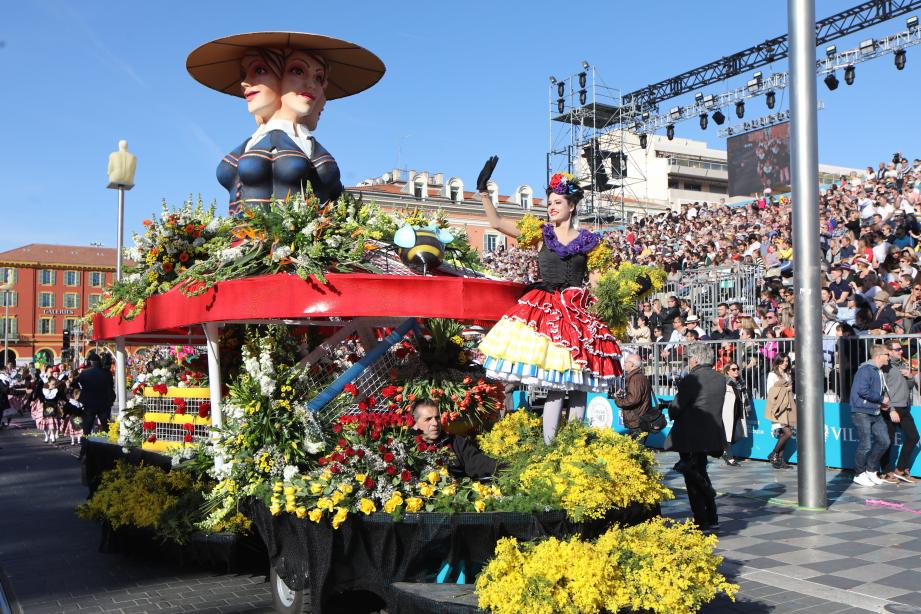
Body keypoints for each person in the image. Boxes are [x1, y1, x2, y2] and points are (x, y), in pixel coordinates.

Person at [474, 158, 621, 444]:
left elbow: (599, 283)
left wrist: (618, 297)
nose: (551, 207)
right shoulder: (542, 234)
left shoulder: (590, 241)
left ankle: (575, 444)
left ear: (572, 206)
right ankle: (550, 447)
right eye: (549, 203)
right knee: (555, 383)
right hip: (546, 309)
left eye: (557, 202)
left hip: (578, 311)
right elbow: (496, 223)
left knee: (580, 385)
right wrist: (483, 192)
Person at [187, 32, 385, 216]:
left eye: (318, 77)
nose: (245, 83)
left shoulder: (305, 144)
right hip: (240, 245)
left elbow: (338, 200)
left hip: (298, 248)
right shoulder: (254, 141)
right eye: (299, 71)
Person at [665, 344, 727, 532]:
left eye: (690, 358)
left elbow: (676, 409)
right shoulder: (720, 378)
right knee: (701, 471)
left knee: (692, 477)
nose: (689, 362)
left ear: (697, 359)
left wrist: (673, 405)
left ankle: (702, 520)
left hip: (690, 435)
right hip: (710, 433)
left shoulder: (692, 379)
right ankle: (712, 516)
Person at [411, 399, 500, 480]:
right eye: (428, 419)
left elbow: (480, 464)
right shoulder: (407, 447)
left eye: (437, 418)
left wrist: (507, 469)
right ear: (415, 424)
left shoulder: (456, 442)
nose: (435, 423)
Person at [849, 345, 892, 487]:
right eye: (887, 354)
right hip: (862, 411)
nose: (889, 356)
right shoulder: (865, 370)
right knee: (865, 445)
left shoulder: (877, 370)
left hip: (874, 411)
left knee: (884, 441)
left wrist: (881, 403)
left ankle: (871, 470)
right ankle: (859, 474)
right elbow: (862, 391)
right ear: (879, 356)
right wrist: (881, 400)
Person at [879, 342, 919, 484]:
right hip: (890, 408)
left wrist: (909, 376)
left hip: (903, 407)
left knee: (914, 437)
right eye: (898, 349)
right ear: (889, 351)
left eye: (901, 349)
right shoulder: (885, 367)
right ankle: (885, 471)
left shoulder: (902, 364)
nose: (901, 351)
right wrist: (891, 409)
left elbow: (908, 386)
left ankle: (900, 470)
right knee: (887, 441)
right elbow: (882, 390)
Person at [764, 353, 797, 469]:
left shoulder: (788, 374)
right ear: (778, 362)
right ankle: (773, 453)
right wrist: (785, 389)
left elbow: (791, 390)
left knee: (785, 433)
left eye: (787, 361)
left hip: (788, 406)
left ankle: (781, 460)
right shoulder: (772, 374)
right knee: (788, 433)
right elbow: (770, 391)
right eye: (783, 361)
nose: (785, 363)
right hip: (778, 408)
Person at [613, 354, 653, 440]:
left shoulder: (636, 378)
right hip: (639, 419)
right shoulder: (638, 377)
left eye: (626, 362)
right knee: (637, 448)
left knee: (637, 448)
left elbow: (633, 399)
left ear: (632, 364)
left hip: (638, 421)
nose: (624, 364)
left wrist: (618, 401)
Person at [76, 353, 115, 438]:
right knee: (106, 427)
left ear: (90, 362)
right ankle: (107, 447)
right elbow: (111, 386)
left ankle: (85, 448)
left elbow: (78, 384)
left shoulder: (84, 373)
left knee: (87, 428)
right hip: (104, 403)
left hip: (89, 403)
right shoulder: (107, 373)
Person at [721, 363, 750, 467]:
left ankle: (725, 451)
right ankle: (730, 458)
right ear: (728, 371)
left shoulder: (740, 383)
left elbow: (744, 398)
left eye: (737, 369)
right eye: (733, 369)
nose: (736, 371)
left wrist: (747, 410)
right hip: (727, 413)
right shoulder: (724, 382)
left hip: (738, 412)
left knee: (738, 435)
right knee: (729, 435)